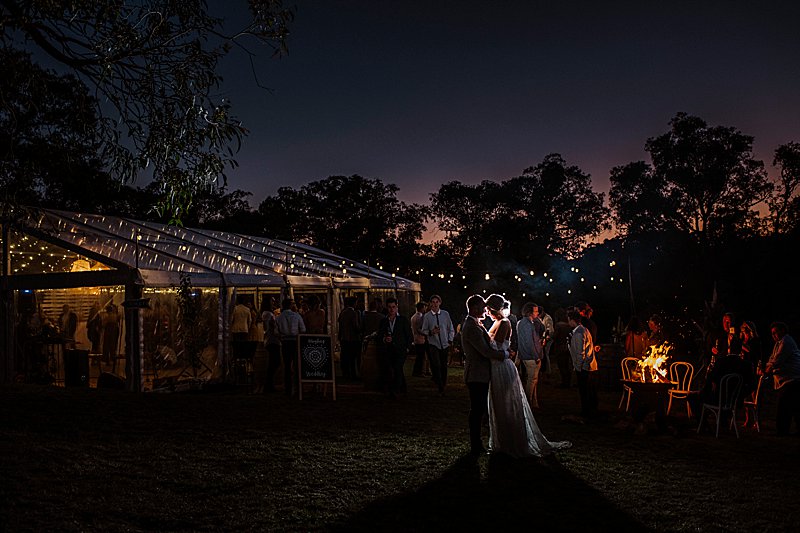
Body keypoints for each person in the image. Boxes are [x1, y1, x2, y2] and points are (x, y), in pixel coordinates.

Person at [485, 294, 571, 458]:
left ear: (492, 308)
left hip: (502, 367)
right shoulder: (498, 322)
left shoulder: (504, 322)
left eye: (488, 309)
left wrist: (486, 340)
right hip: (497, 366)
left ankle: (511, 441)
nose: (486, 312)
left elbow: (496, 346)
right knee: (499, 404)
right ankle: (502, 440)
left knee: (506, 404)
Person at [461, 294, 509, 456]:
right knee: (477, 410)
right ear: (474, 308)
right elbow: (485, 351)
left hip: (480, 373)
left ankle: (477, 444)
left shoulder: (475, 324)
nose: (485, 309)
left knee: (479, 409)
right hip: (476, 374)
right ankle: (475, 444)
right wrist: (505, 355)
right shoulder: (472, 327)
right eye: (482, 306)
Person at [764, 322, 800, 436]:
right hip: (786, 379)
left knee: (784, 406)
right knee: (793, 406)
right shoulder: (778, 344)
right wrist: (768, 365)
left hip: (791, 379)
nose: (774, 335)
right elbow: (771, 359)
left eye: (776, 332)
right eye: (772, 333)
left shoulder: (786, 342)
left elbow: (777, 360)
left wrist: (768, 369)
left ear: (783, 331)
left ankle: (782, 431)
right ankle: (789, 430)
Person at [376, 297, 412, 398]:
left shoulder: (402, 320)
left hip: (401, 349)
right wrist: (384, 339)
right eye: (389, 307)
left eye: (393, 307)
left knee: (397, 367)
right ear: (386, 308)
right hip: (389, 350)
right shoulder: (384, 321)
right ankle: (401, 388)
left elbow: (409, 335)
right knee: (394, 369)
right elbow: (379, 335)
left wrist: (407, 348)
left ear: (397, 307)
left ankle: (395, 390)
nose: (391, 309)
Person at [421, 294, 455, 395]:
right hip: (433, 344)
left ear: (440, 303)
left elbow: (450, 328)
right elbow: (424, 330)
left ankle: (443, 383)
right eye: (433, 302)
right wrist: (431, 332)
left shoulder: (445, 314)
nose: (435, 304)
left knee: (443, 365)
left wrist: (450, 340)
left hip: (444, 343)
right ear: (430, 303)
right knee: (436, 364)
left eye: (437, 302)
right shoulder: (427, 316)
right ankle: (439, 384)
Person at [568, 308, 598, 420]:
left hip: (585, 367)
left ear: (572, 320)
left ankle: (587, 412)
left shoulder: (579, 333)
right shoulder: (584, 330)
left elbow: (580, 353)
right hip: (589, 366)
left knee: (585, 391)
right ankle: (591, 411)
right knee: (589, 391)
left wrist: (578, 367)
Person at [516, 302, 545, 408]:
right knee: (532, 380)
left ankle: (534, 402)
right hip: (530, 356)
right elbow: (529, 342)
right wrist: (535, 356)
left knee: (534, 380)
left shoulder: (529, 322)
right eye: (536, 311)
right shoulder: (526, 324)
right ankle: (528, 402)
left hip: (530, 355)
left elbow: (542, 329)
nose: (538, 313)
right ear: (529, 312)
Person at [275, 298, 306, 396]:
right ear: (291, 305)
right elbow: (303, 329)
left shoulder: (279, 318)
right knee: (297, 365)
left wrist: (281, 336)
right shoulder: (297, 316)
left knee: (287, 365)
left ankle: (288, 388)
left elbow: (276, 332)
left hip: (285, 342)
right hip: (295, 341)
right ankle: (297, 387)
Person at [337, 296, 362, 380]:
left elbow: (340, 325)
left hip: (344, 339)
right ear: (354, 303)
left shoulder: (342, 312)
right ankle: (353, 375)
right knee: (353, 358)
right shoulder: (353, 313)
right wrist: (361, 330)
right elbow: (356, 327)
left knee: (345, 357)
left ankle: (345, 374)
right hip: (352, 339)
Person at [260, 298, 281, 393]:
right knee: (275, 362)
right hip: (272, 340)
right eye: (271, 301)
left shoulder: (267, 313)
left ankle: (269, 384)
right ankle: (268, 384)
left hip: (271, 339)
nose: (273, 303)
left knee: (274, 362)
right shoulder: (268, 314)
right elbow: (268, 327)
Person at [552, 308, 573, 388]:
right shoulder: (568, 325)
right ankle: (568, 382)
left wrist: (550, 336)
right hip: (567, 347)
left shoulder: (558, 325)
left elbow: (555, 336)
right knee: (567, 366)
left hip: (559, 347)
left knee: (562, 366)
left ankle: (564, 383)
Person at [410, 301, 428, 377]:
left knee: (420, 356)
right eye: (424, 307)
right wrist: (427, 333)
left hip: (416, 338)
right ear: (421, 308)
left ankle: (418, 371)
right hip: (420, 339)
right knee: (420, 357)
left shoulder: (413, 317)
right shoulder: (419, 317)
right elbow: (419, 329)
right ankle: (418, 372)